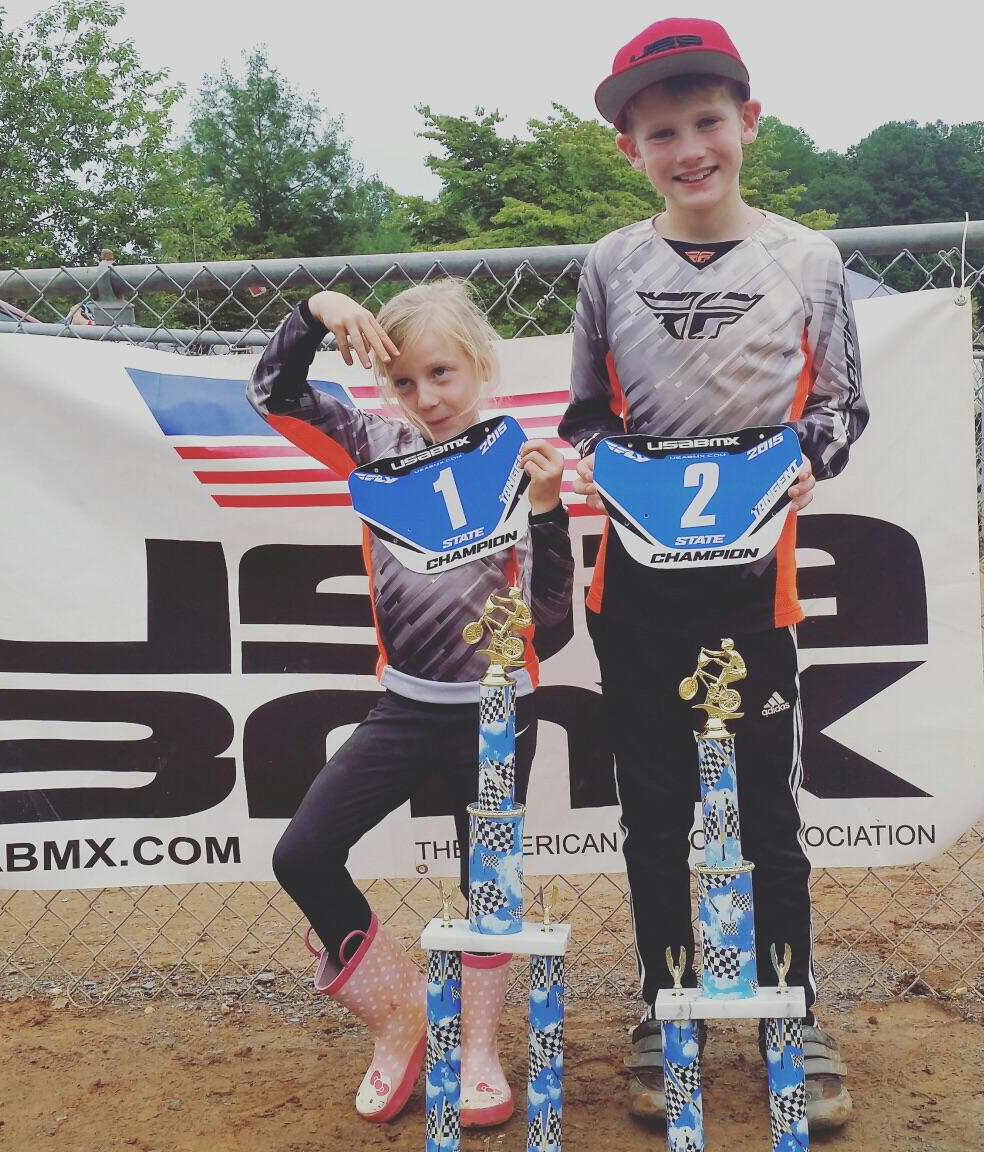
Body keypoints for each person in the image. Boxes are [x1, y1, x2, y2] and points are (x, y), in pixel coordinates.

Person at [559, 17, 869, 1133]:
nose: (689, 149)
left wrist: (805, 464)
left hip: (754, 585)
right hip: (637, 587)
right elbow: (583, 417)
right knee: (655, 813)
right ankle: (667, 1005)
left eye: (706, 122)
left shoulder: (808, 259)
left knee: (766, 813)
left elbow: (841, 407)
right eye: (661, 133)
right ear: (629, 148)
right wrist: (606, 470)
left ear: (748, 121)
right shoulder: (609, 264)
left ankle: (792, 1011)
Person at [247, 282, 574, 1125]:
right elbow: (273, 394)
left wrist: (546, 514)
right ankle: (402, 1018)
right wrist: (316, 310)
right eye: (404, 381)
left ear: (482, 365)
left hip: (501, 712)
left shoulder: (519, 460)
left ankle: (477, 1051)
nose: (425, 398)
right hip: (405, 708)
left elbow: (551, 624)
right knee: (303, 855)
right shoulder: (374, 443)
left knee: (485, 886)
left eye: (441, 374)